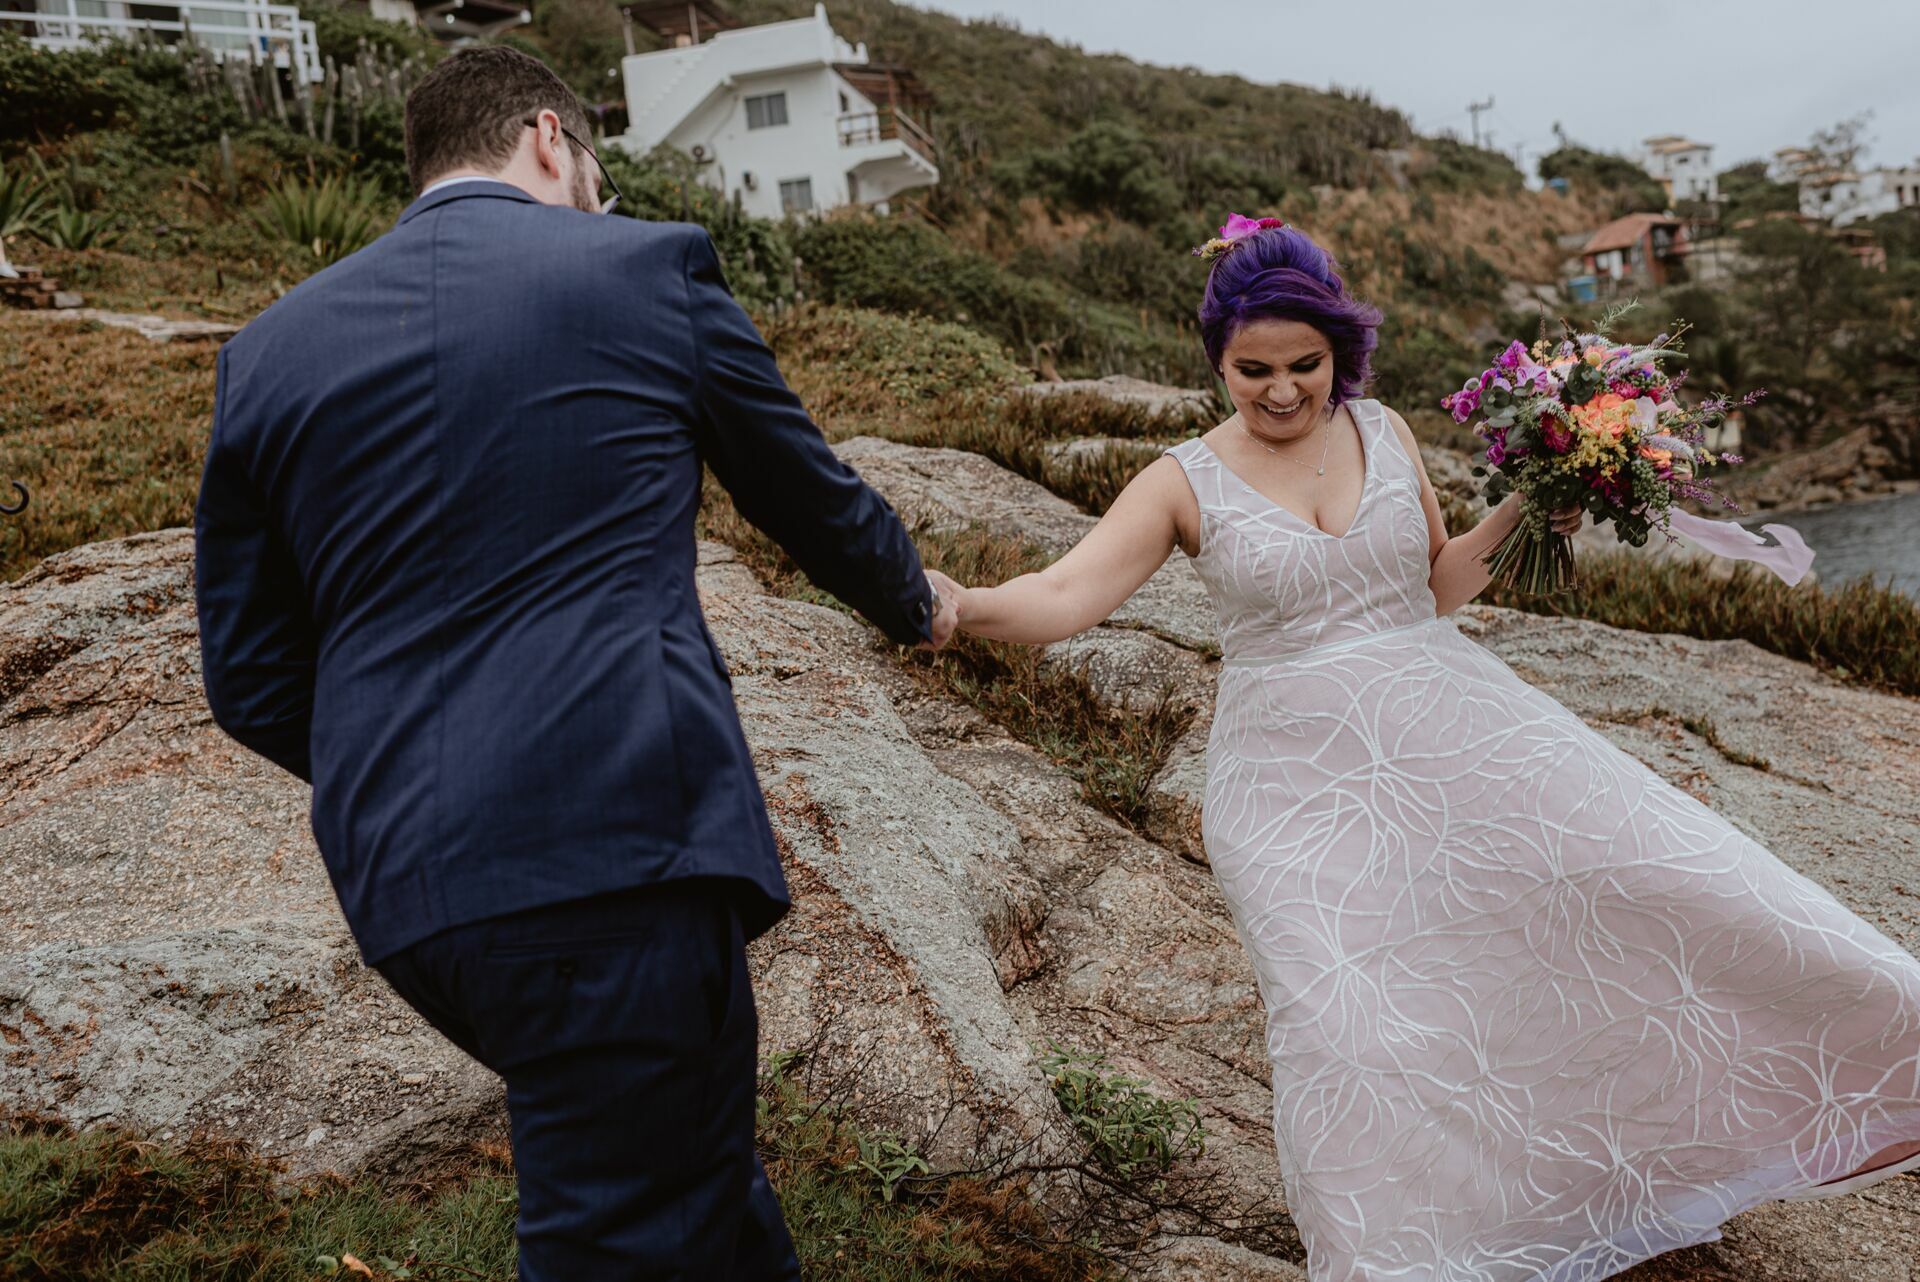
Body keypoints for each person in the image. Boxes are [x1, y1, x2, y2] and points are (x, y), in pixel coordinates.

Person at [926, 221, 1920, 1281]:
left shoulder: (1386, 431)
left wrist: (1539, 499)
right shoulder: (1182, 481)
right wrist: (961, 604)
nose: (1276, 392)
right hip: (1292, 788)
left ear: (1339, 352)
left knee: (1653, 877)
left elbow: (1437, 585)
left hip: (1449, 728)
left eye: (1302, 366)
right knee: (1346, 1029)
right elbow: (1068, 592)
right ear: (1214, 358)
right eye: (1249, 370)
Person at [193, 46, 954, 1280]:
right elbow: (806, 495)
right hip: (610, 854)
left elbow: (248, 677)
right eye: (595, 166)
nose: (600, 190)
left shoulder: (270, 350)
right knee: (626, 1228)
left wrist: (393, 758)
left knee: (683, 1178)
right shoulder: (643, 267)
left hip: (411, 887)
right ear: (553, 139)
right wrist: (918, 604)